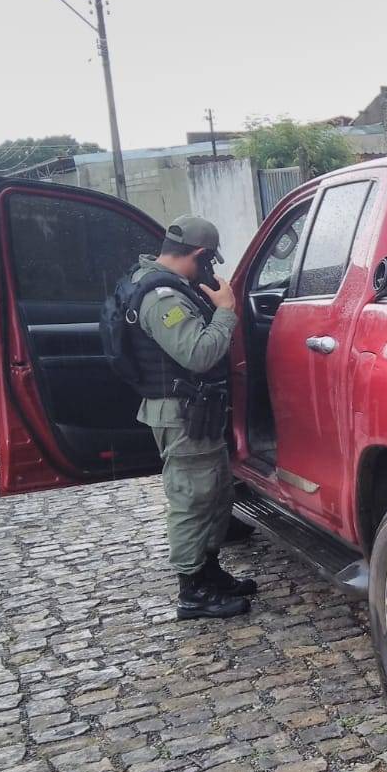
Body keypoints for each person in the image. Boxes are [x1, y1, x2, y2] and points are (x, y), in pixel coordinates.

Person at [119, 216, 258, 620]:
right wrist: (227, 312)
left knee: (215, 494)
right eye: (209, 262)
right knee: (191, 500)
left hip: (197, 412)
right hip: (179, 414)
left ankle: (210, 572)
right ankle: (192, 590)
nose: (211, 271)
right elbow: (197, 353)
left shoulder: (169, 284)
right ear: (199, 255)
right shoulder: (162, 296)